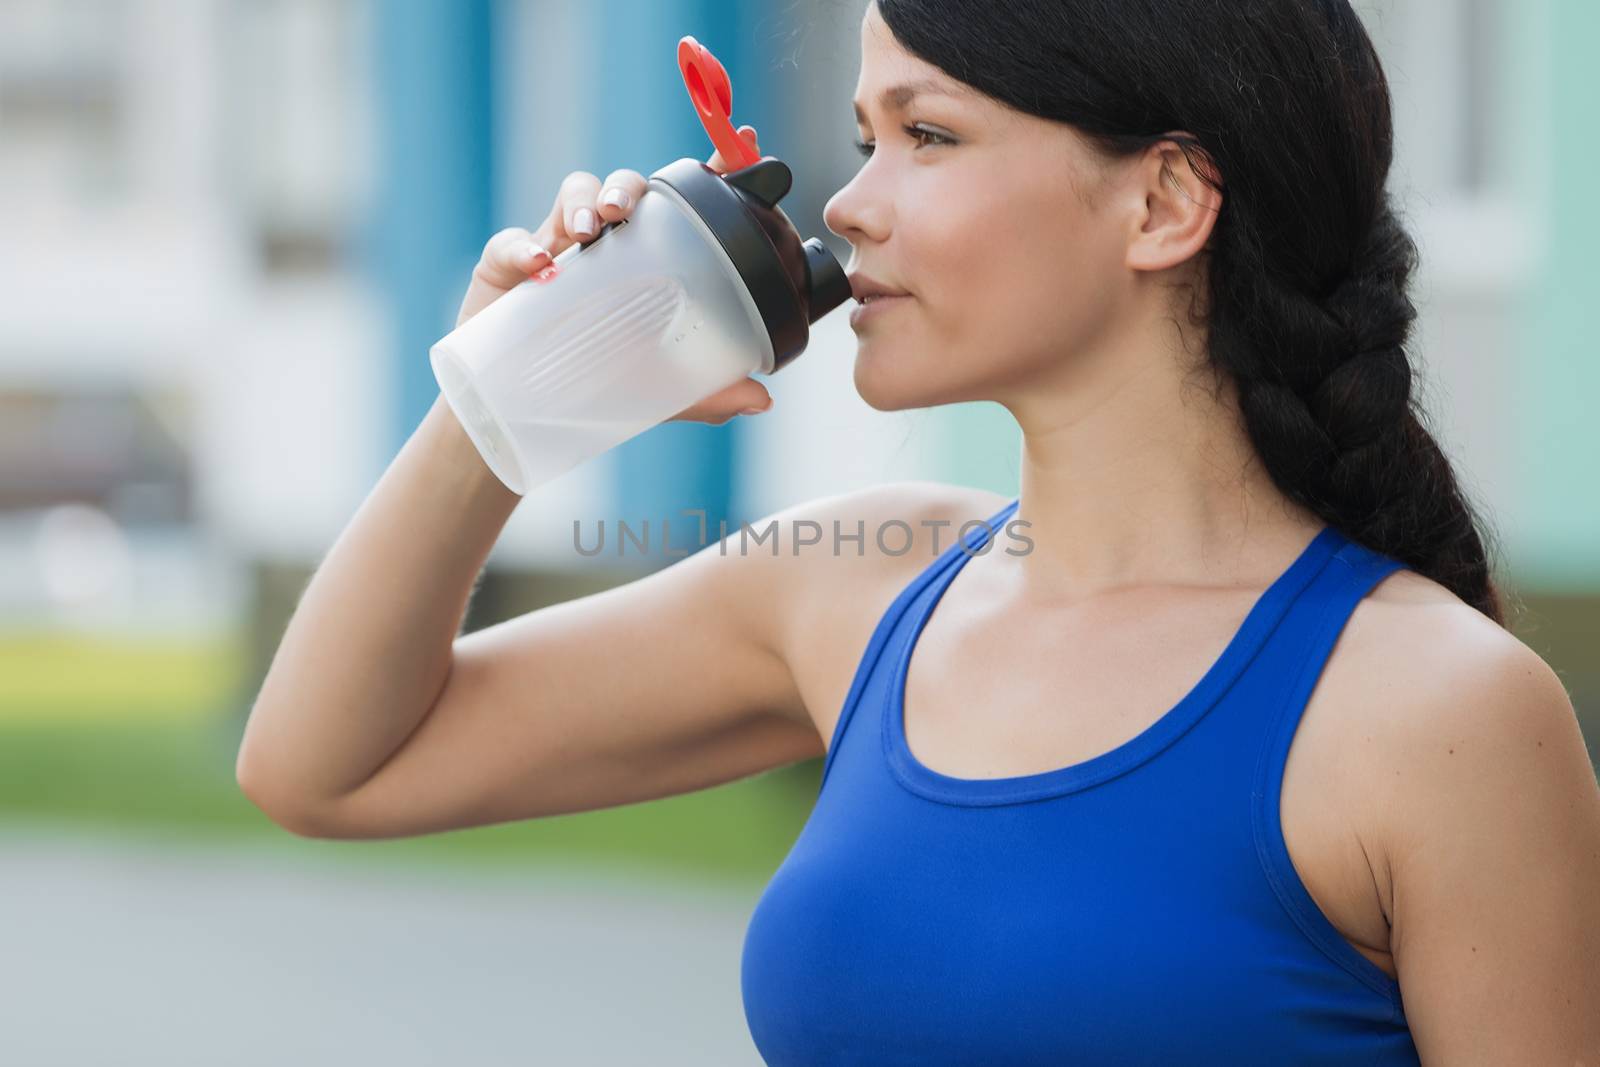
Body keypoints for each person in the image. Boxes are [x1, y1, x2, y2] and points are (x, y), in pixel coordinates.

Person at [236, 1, 1600, 1062]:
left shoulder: (1442, 713)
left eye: (927, 135)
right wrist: (508, 394)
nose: (846, 202)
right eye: (864, 132)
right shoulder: (859, 583)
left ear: (1165, 200)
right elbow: (327, 769)